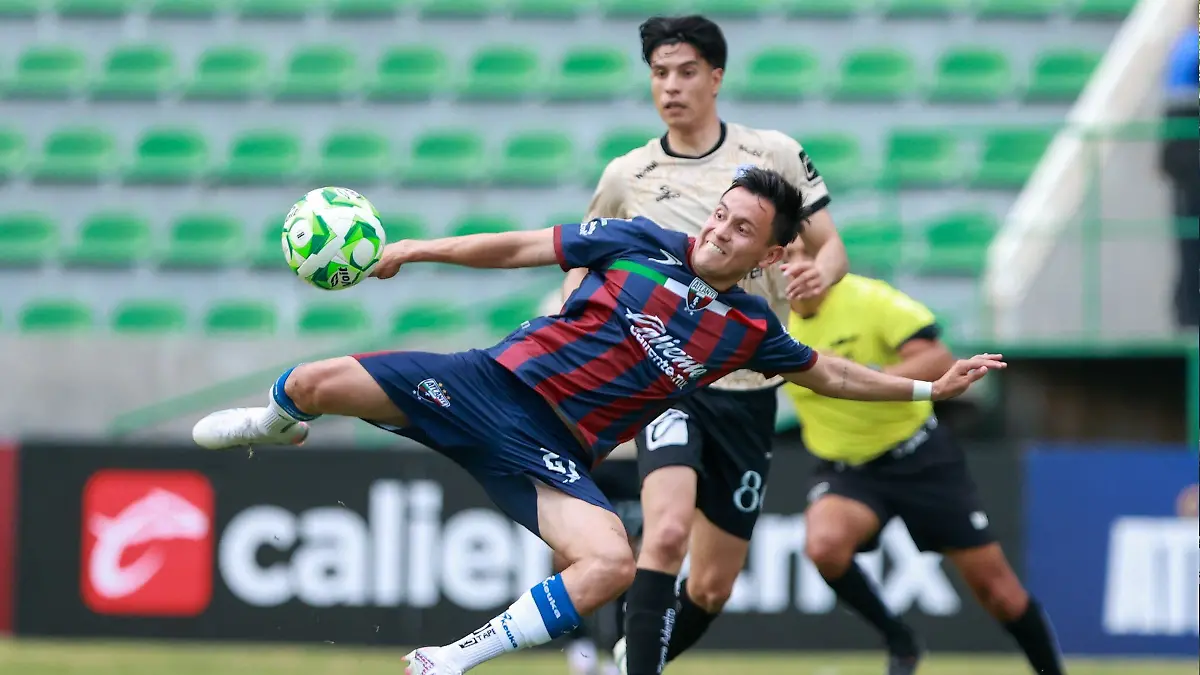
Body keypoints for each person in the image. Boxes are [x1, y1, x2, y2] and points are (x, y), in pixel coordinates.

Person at [191, 168, 1003, 675]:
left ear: (765, 256)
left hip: (552, 449)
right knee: (310, 381)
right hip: (484, 384)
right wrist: (415, 248)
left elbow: (830, 374)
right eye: (720, 215)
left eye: (741, 230)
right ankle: (277, 421)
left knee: (612, 560)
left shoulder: (750, 331)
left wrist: (928, 392)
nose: (719, 230)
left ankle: (450, 660)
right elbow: (519, 249)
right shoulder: (638, 239)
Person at [564, 16, 848, 675]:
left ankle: (632, 656)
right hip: (672, 378)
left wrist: (817, 272)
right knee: (663, 533)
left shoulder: (774, 153)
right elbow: (582, 259)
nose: (671, 86)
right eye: (659, 73)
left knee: (712, 586)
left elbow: (832, 246)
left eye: (686, 70)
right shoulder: (628, 174)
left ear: (715, 77)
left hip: (752, 391)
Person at [782, 240, 1064, 675]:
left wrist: (863, 378)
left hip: (919, 458)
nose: (798, 266)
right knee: (824, 546)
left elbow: (937, 357)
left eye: (807, 253)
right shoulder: (767, 321)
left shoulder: (869, 299)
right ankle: (900, 638)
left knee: (1000, 594)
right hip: (846, 472)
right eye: (786, 256)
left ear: (828, 258)